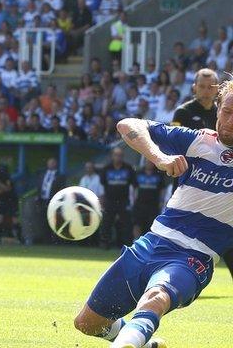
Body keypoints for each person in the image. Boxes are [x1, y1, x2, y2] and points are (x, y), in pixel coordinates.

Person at [74, 90, 233, 346]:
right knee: (88, 323)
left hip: (194, 256)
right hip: (150, 244)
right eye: (227, 112)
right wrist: (160, 158)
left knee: (157, 297)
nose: (231, 120)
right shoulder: (197, 141)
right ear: (217, 109)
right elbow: (127, 125)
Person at [170, 68, 233, 279]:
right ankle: (172, 274)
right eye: (202, 86)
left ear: (217, 90)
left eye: (210, 87)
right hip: (192, 183)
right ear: (194, 87)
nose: (206, 91)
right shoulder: (184, 113)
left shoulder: (226, 109)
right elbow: (175, 147)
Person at [99, 147, 136, 249]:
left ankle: (127, 245)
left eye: (120, 155)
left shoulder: (128, 168)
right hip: (109, 200)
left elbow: (134, 185)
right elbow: (102, 185)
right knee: (107, 223)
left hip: (124, 201)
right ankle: (104, 244)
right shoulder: (106, 169)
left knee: (126, 223)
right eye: (116, 155)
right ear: (112, 156)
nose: (118, 157)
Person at [132, 160, 165, 239]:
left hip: (153, 204)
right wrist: (133, 200)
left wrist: (161, 201)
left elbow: (162, 189)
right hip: (139, 204)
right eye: (148, 162)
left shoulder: (159, 174)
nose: (149, 163)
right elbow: (134, 188)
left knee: (152, 224)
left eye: (151, 162)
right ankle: (135, 241)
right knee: (137, 223)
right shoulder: (139, 173)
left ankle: (149, 243)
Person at [36, 157, 65, 241]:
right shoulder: (42, 174)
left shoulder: (60, 176)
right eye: (49, 162)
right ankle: (45, 238)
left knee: (54, 220)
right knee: (43, 220)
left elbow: (61, 188)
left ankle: (55, 239)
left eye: (53, 162)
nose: (51, 164)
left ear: (56, 164)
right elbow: (39, 186)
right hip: (42, 200)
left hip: (53, 200)